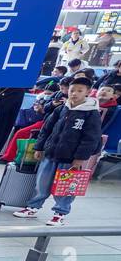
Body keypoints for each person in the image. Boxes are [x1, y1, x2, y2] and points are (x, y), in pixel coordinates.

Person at [11, 76, 101, 226]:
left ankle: (60, 213)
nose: (75, 93)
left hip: (70, 159)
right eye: (72, 90)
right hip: (51, 154)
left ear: (88, 92)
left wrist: (79, 158)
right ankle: (33, 207)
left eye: (80, 91)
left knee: (65, 188)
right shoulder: (61, 108)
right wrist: (39, 147)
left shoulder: (91, 114)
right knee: (42, 182)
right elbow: (46, 129)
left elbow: (91, 138)